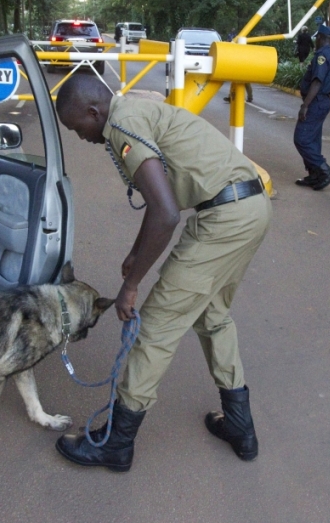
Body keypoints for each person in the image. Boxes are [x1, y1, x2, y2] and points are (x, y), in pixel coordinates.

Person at [54, 74, 272, 471]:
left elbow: (167, 213)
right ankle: (241, 428)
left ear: (93, 111)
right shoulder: (132, 111)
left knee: (153, 327)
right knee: (213, 317)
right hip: (250, 207)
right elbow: (162, 203)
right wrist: (137, 251)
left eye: (76, 127)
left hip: (223, 218)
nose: (79, 136)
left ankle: (116, 445)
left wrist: (130, 285)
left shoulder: (121, 124)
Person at [293, 24, 330, 191]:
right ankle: (315, 175)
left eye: (317, 38)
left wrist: (305, 106)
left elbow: (317, 81)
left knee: (302, 139)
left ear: (320, 38)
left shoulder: (322, 56)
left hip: (316, 102)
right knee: (312, 139)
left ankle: (325, 170)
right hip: (321, 102)